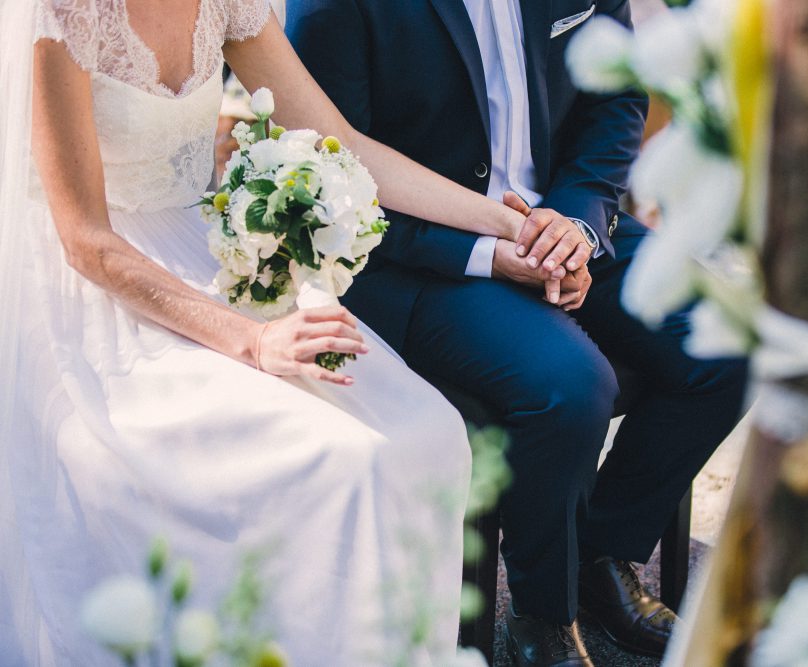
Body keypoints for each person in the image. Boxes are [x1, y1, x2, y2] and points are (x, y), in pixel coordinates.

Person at [0, 0, 533, 663]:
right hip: (98, 297)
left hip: (204, 257)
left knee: (430, 432)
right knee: (341, 457)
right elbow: (85, 241)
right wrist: (252, 341)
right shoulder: (59, 13)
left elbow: (344, 142)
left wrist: (507, 224)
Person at [287, 0, 749, 664]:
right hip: (420, 256)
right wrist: (491, 252)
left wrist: (576, 225)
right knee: (569, 384)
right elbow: (334, 175)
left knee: (726, 340)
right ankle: (539, 620)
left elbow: (616, 98)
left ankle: (602, 557)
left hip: (561, 216)